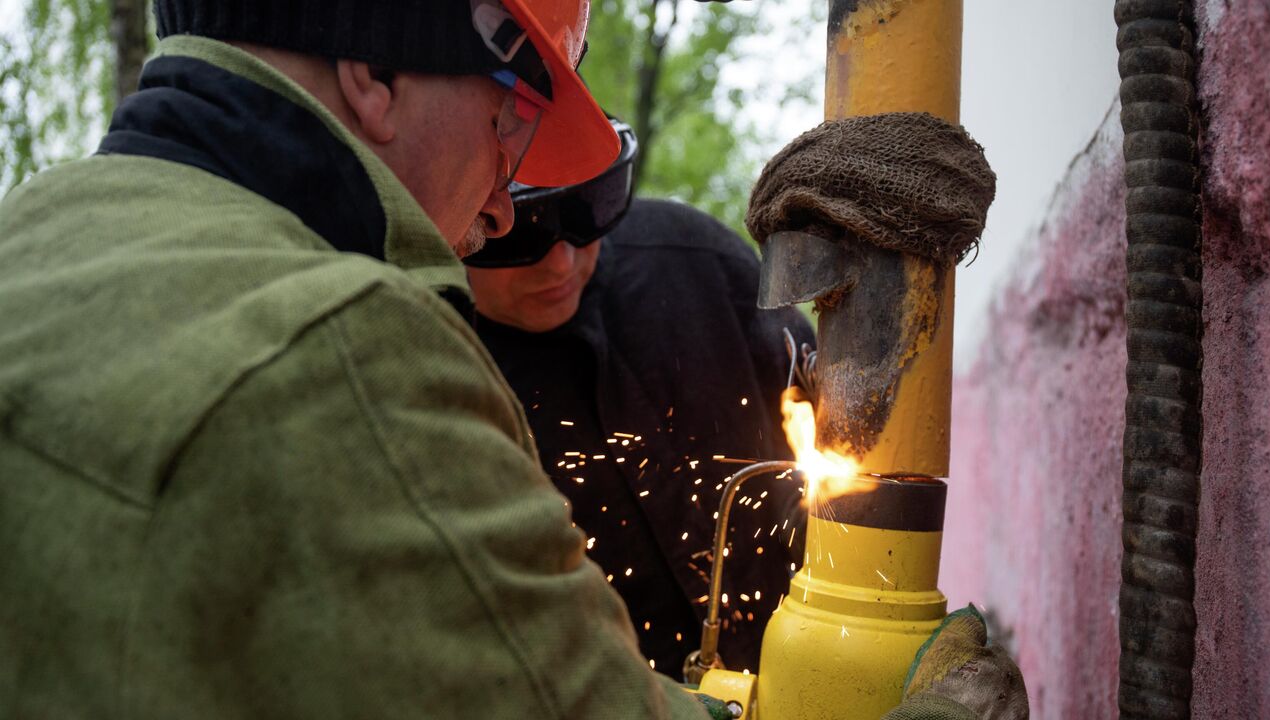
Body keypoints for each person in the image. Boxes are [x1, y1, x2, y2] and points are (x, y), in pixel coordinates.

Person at [0, 2, 731, 717]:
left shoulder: (33, 226)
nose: (505, 210)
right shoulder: (351, 349)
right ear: (375, 72)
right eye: (505, 125)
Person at [465, 118, 816, 679]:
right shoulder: (442, 369)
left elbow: (839, 430)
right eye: (523, 239)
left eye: (581, 218)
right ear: (462, 227)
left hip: (805, 659)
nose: (559, 264)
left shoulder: (695, 262)